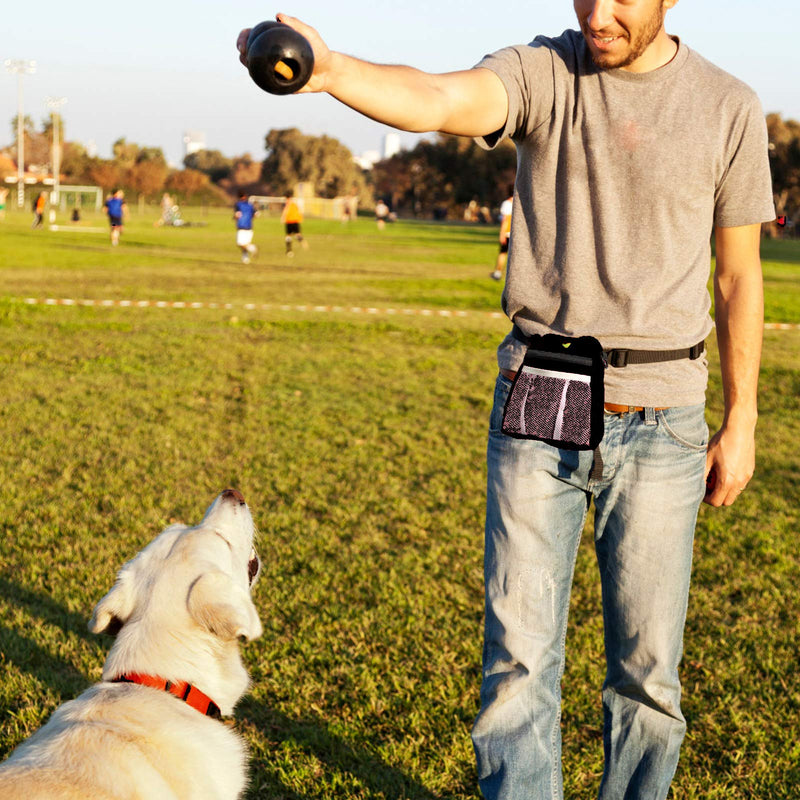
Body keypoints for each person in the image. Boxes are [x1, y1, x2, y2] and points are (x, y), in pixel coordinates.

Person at [238, 4, 774, 798]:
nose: (599, 14)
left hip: (666, 414)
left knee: (649, 678)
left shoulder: (728, 104)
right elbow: (443, 99)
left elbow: (738, 276)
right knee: (518, 664)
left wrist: (744, 417)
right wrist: (331, 70)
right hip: (544, 392)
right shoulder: (542, 73)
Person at [490, 187, 514, 281]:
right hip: (517, 234)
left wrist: (502, 234)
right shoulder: (520, 202)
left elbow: (505, 220)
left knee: (503, 253)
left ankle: (497, 273)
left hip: (508, 233)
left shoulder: (507, 204)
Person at [233, 193, 258, 263]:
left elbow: (237, 215)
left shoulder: (238, 205)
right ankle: (245, 258)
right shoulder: (250, 205)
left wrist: (235, 218)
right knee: (245, 243)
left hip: (241, 226)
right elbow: (256, 214)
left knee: (240, 243)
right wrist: (250, 218)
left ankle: (252, 248)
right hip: (249, 227)